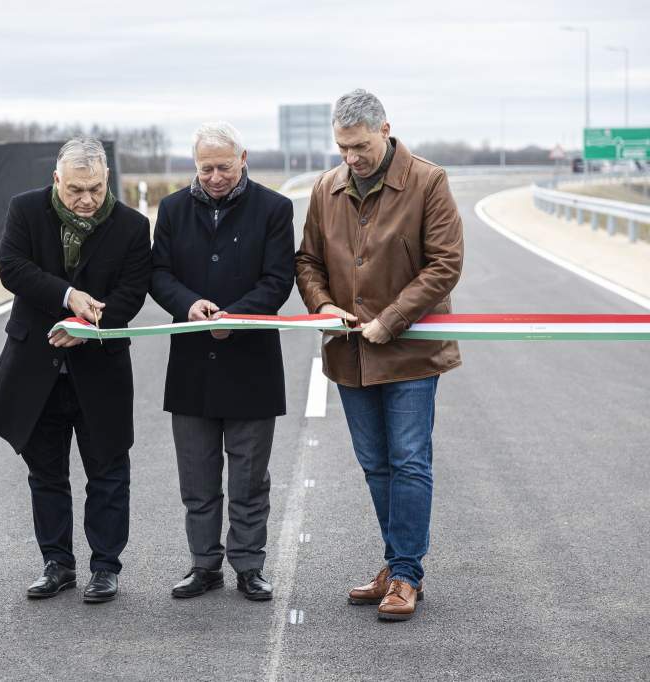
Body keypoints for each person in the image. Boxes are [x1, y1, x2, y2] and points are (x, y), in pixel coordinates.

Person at [295, 89, 464, 621]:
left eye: (360, 146)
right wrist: (323, 305)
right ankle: (395, 564)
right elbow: (308, 261)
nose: (351, 158)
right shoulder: (327, 187)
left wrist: (389, 321)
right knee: (375, 465)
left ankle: (408, 575)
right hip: (350, 354)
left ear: (385, 130)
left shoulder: (428, 181)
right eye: (342, 147)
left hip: (411, 350)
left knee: (409, 461)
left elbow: (444, 264)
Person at [0, 138, 151, 603]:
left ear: (107, 180)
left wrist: (90, 328)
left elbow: (132, 292)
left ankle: (105, 567)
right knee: (46, 473)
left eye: (95, 189)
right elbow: (12, 268)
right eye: (76, 189)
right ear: (57, 180)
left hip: (101, 368)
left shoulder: (133, 226)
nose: (86, 200)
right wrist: (67, 296)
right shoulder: (25, 210)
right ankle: (56, 563)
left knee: (109, 472)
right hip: (36, 368)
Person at [150, 122, 294, 601]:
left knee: (250, 479)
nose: (214, 177)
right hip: (192, 363)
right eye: (205, 168)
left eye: (224, 167)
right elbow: (159, 273)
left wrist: (238, 316)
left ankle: (250, 566)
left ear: (243, 158)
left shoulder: (275, 208)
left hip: (251, 363)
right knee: (197, 479)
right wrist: (188, 304)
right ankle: (203, 565)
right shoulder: (171, 209)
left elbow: (278, 280)